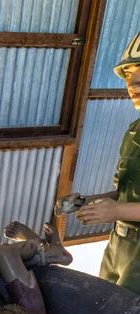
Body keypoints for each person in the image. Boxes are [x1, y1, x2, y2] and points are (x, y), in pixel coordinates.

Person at [55, 32, 140, 294]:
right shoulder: (135, 131)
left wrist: (116, 211)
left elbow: (121, 206)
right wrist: (89, 202)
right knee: (99, 307)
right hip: (119, 245)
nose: (133, 83)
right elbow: (123, 192)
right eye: (128, 74)